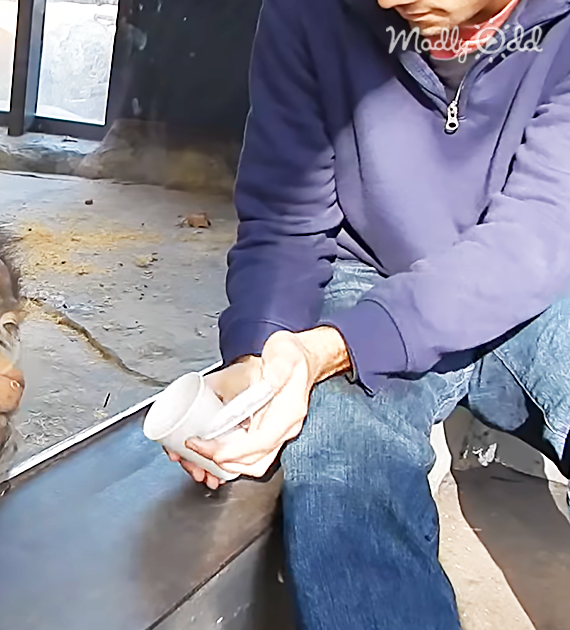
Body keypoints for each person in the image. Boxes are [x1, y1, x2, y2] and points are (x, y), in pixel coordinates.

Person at [164, 0, 570, 627]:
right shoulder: (307, 13)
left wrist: (334, 346)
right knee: (340, 452)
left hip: (540, 278)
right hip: (372, 275)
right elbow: (287, 220)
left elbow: (534, 237)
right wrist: (261, 362)